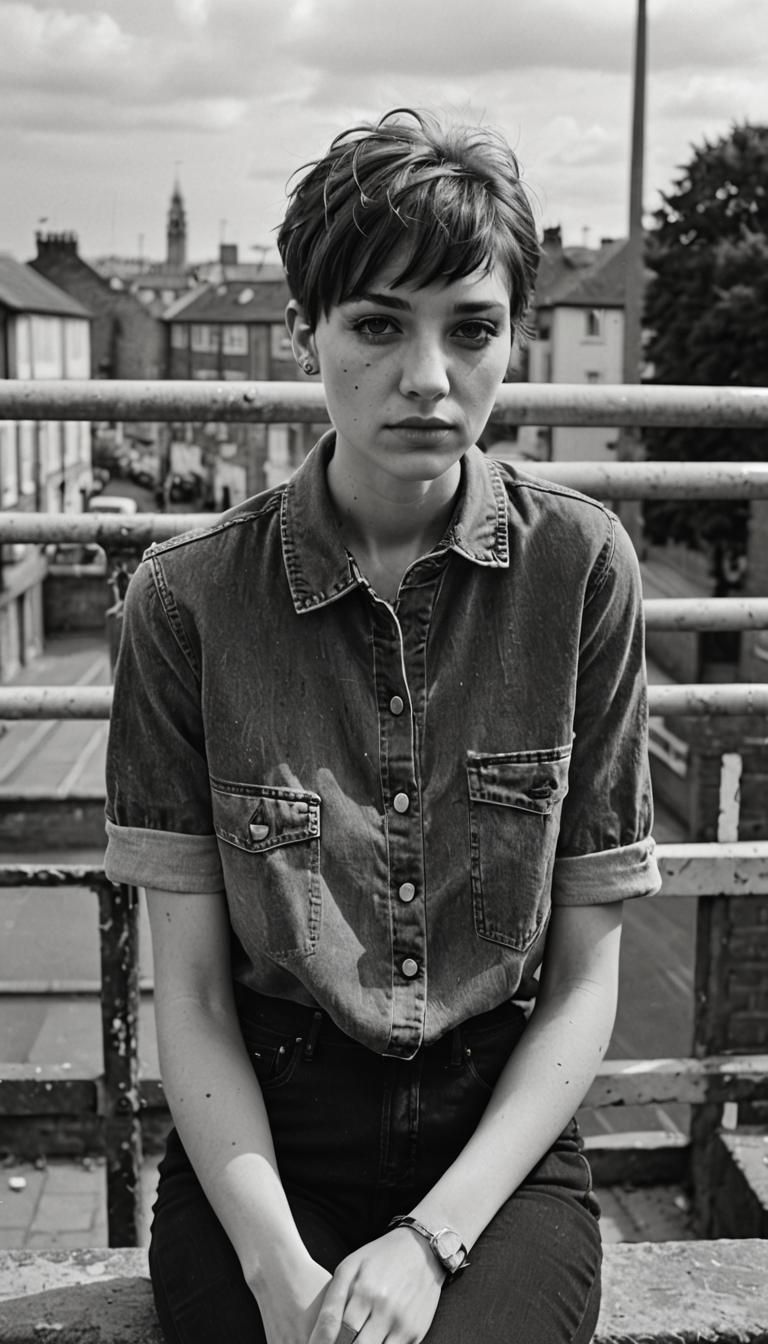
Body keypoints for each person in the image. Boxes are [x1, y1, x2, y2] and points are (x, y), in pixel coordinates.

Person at [104, 108, 661, 1344]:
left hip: (493, 1144)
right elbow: (190, 994)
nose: (428, 377)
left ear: (511, 336)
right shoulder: (185, 601)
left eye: (471, 329)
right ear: (308, 330)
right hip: (266, 1133)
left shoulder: (583, 572)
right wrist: (278, 1275)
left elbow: (581, 981)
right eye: (376, 325)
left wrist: (430, 1242)